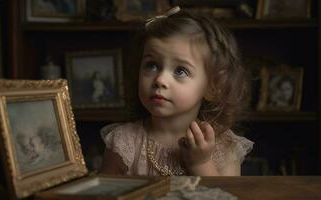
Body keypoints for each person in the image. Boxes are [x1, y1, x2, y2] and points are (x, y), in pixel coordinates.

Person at [100, 6, 253, 176]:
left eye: (180, 71)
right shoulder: (124, 143)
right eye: (152, 65)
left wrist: (200, 163)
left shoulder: (224, 147)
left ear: (212, 86)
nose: (160, 80)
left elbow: (224, 195)